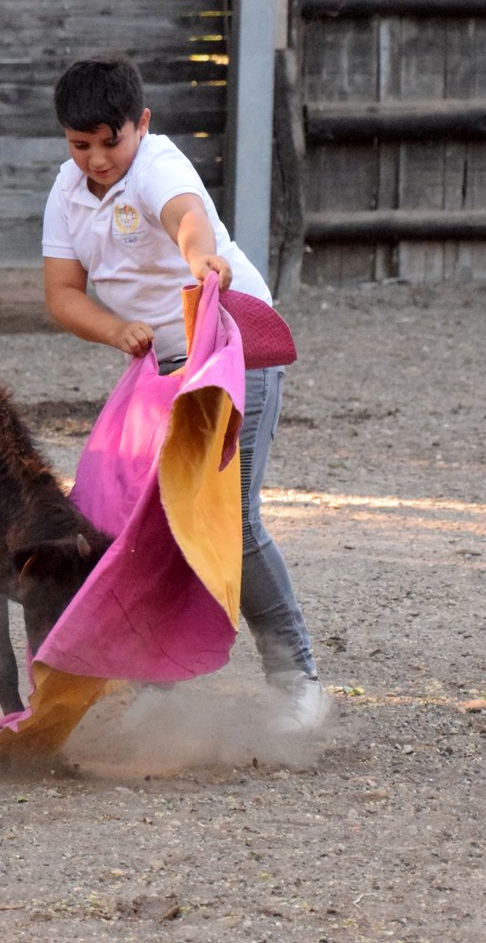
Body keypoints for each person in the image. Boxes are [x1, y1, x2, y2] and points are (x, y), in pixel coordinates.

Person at [40, 55, 329, 734]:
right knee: (141, 518)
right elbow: (61, 294)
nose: (99, 158)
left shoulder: (159, 166)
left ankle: (299, 683)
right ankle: (155, 683)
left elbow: (188, 219)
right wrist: (117, 331)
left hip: (232, 344)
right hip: (164, 365)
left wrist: (202, 261)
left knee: (229, 513)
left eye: (111, 141)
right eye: (81, 145)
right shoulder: (67, 189)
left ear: (141, 124)